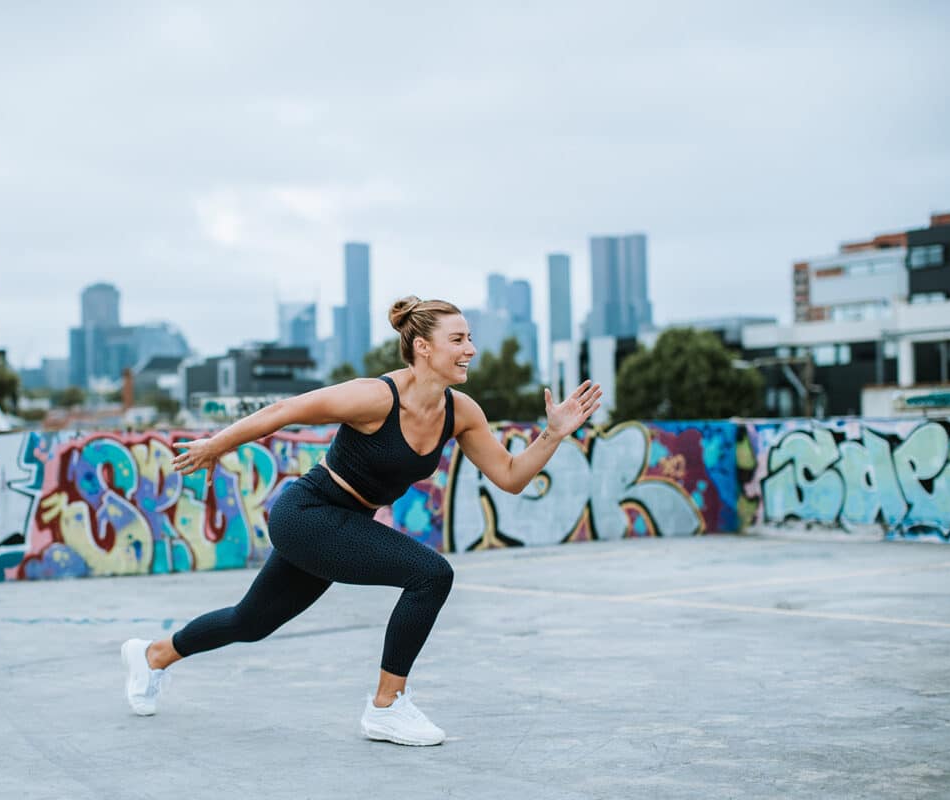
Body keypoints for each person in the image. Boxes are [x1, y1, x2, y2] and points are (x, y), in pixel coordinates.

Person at [120, 296, 601, 746]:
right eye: (458, 340)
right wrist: (215, 445)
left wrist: (553, 434)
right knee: (430, 574)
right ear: (423, 347)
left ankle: (152, 655)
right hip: (308, 514)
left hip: (342, 524)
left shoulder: (461, 413)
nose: (470, 349)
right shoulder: (376, 397)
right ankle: (386, 706)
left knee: (251, 622)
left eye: (470, 338)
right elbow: (286, 410)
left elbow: (511, 476)